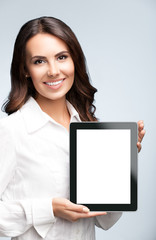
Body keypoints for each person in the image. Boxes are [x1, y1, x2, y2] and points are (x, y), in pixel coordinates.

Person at [0, 16, 145, 240]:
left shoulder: (88, 129)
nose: (54, 71)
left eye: (61, 57)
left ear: (74, 60)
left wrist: (121, 167)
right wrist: (48, 209)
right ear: (25, 69)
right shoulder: (11, 130)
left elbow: (103, 219)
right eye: (39, 61)